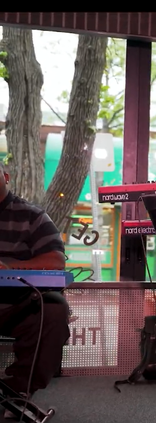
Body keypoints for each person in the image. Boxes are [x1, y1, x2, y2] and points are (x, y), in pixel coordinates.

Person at [0, 158, 71, 408]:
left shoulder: (32, 216)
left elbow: (56, 261)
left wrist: (8, 267)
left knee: (53, 309)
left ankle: (18, 390)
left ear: (6, 177)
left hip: (16, 306)